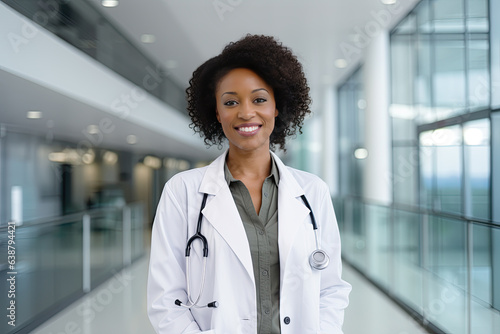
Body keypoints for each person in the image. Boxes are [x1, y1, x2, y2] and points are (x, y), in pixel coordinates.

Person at [147, 34, 351, 334]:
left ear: (277, 107)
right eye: (231, 102)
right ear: (217, 113)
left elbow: (331, 288)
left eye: (259, 99)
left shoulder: (312, 192)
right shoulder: (183, 191)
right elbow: (166, 300)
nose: (245, 112)